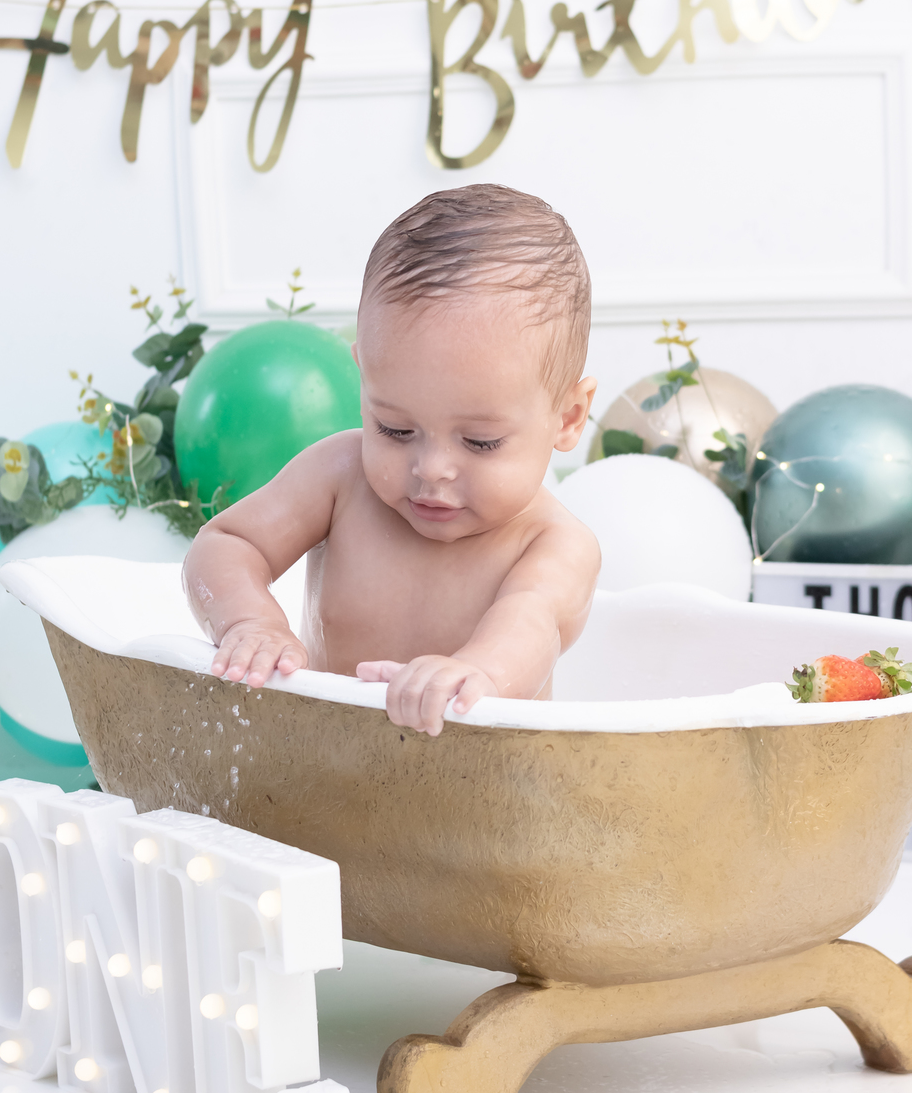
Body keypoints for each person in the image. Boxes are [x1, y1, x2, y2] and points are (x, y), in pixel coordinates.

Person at [182, 184, 600, 736]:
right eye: (395, 428)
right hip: (326, 768)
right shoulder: (340, 477)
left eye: (479, 442)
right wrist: (249, 621)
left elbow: (531, 625)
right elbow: (224, 545)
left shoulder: (552, 545)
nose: (431, 468)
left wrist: (477, 674)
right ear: (366, 380)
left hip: (484, 794)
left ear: (567, 418)